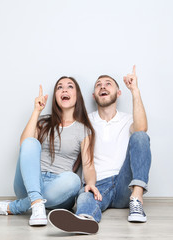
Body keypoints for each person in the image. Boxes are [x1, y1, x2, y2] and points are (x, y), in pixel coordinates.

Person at [0, 76, 102, 226]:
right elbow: (24, 145)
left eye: (70, 87)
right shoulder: (43, 122)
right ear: (55, 96)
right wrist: (36, 111)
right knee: (30, 142)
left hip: (58, 189)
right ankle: (35, 202)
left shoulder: (84, 130)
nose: (64, 89)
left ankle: (14, 207)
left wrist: (91, 183)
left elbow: (88, 165)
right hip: (30, 183)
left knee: (74, 180)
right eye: (59, 87)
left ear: (77, 95)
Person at [48, 65, 151, 234]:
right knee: (85, 196)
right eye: (98, 85)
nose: (103, 86)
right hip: (97, 185)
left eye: (108, 84)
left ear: (118, 93)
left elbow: (142, 129)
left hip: (126, 185)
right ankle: (84, 221)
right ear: (93, 95)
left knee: (140, 136)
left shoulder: (128, 119)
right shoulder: (84, 123)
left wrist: (134, 90)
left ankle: (137, 201)